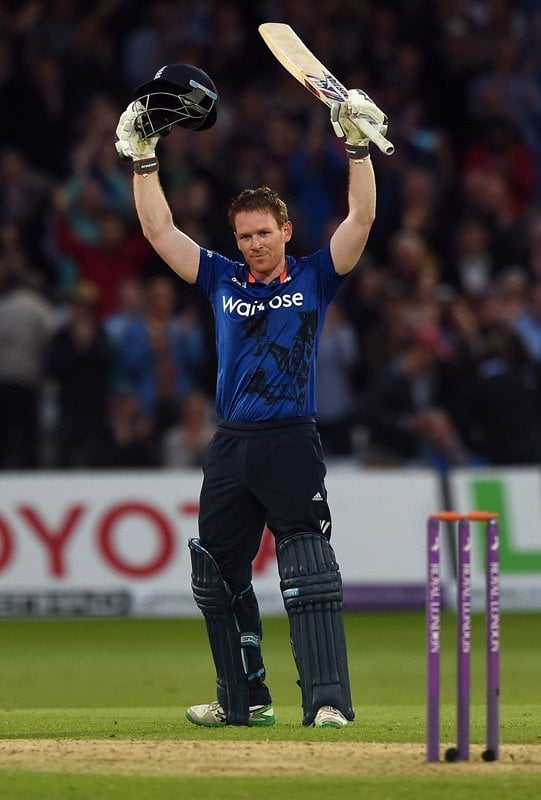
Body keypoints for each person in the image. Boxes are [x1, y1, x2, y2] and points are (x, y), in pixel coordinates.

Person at [115, 63, 389, 728]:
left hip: (290, 439)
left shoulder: (318, 277)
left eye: (263, 232)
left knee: (307, 572)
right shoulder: (221, 280)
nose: (253, 244)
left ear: (285, 231)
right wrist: (143, 159)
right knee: (216, 574)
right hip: (231, 443)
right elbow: (159, 233)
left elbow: (362, 215)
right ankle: (243, 700)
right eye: (243, 235)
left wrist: (356, 148)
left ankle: (326, 702)